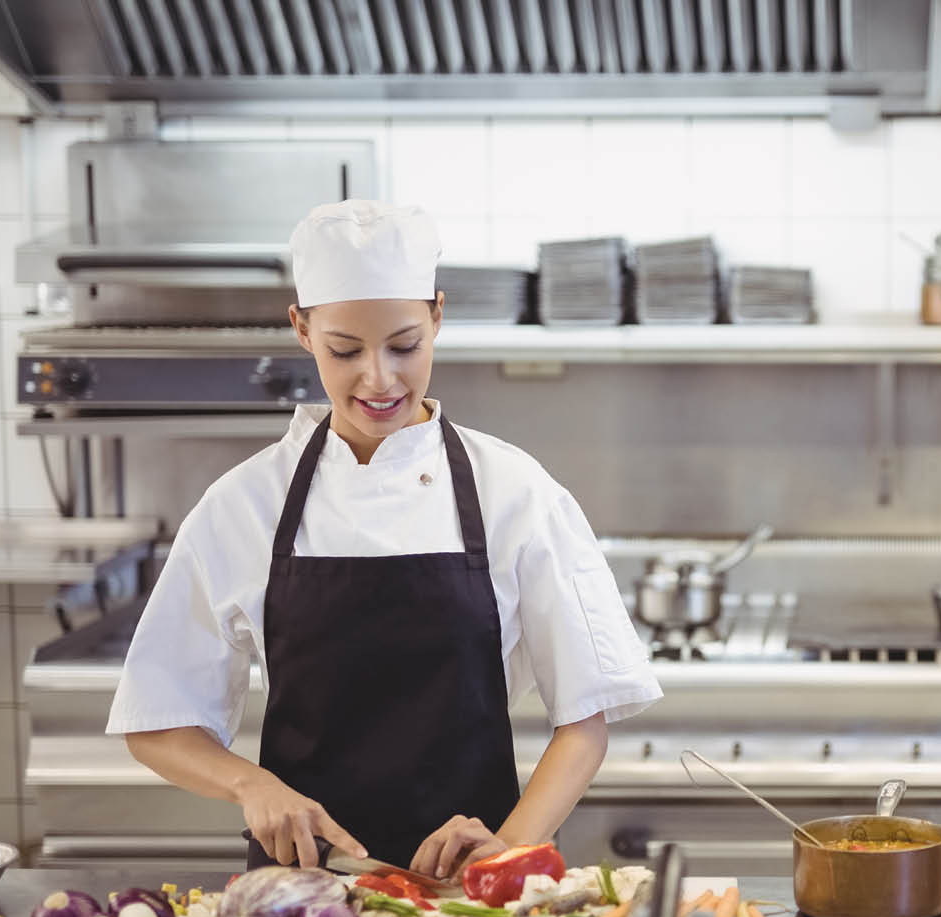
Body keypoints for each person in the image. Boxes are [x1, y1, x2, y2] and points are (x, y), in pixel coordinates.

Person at [105, 200, 661, 878]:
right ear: (302, 330)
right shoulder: (244, 505)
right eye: (345, 350)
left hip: (469, 893)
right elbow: (158, 717)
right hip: (299, 890)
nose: (379, 378)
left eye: (405, 345)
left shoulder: (515, 491)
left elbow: (586, 719)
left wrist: (508, 849)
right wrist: (252, 785)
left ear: (437, 317)